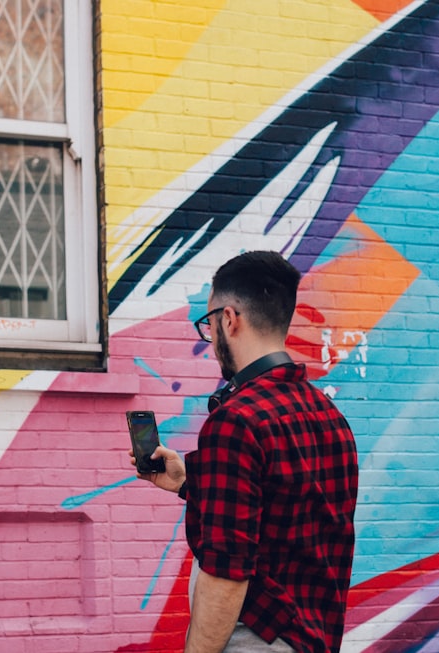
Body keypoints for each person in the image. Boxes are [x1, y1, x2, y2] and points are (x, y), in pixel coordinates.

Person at [132, 250, 359, 653]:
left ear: (229, 319)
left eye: (209, 323)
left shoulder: (236, 421)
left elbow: (227, 573)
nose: (211, 337)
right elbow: (287, 516)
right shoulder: (331, 418)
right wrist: (191, 483)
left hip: (256, 639)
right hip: (313, 639)